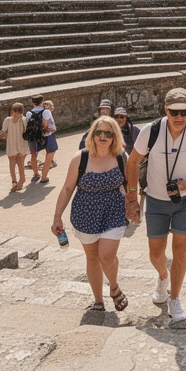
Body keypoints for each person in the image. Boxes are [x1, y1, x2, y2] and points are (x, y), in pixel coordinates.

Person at [125, 87, 186, 324]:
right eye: (174, 112)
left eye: (184, 112)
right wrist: (132, 198)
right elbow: (133, 162)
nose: (179, 117)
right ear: (165, 110)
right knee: (156, 253)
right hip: (156, 199)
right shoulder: (151, 131)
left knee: (180, 250)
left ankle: (175, 298)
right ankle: (162, 276)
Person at [52, 115, 129, 312]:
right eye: (99, 132)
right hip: (85, 214)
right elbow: (68, 188)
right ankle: (98, 300)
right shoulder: (81, 158)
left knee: (107, 256)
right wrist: (57, 217)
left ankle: (114, 287)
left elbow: (130, 185)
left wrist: (134, 205)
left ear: (115, 136)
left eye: (108, 133)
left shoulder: (121, 157)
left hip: (114, 212)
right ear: (92, 134)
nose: (103, 136)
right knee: (93, 257)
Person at [25, 96, 57, 184]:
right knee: (50, 154)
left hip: (34, 137)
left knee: (33, 155)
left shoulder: (29, 113)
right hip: (47, 136)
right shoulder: (46, 112)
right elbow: (46, 125)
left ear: (33, 103)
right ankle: (44, 176)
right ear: (42, 102)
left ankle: (36, 174)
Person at [1, 102, 28, 192]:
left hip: (16, 143)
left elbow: (3, 132)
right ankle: (17, 180)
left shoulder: (11, 120)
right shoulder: (22, 120)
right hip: (17, 143)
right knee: (16, 163)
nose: (15, 114)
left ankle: (18, 180)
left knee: (16, 163)